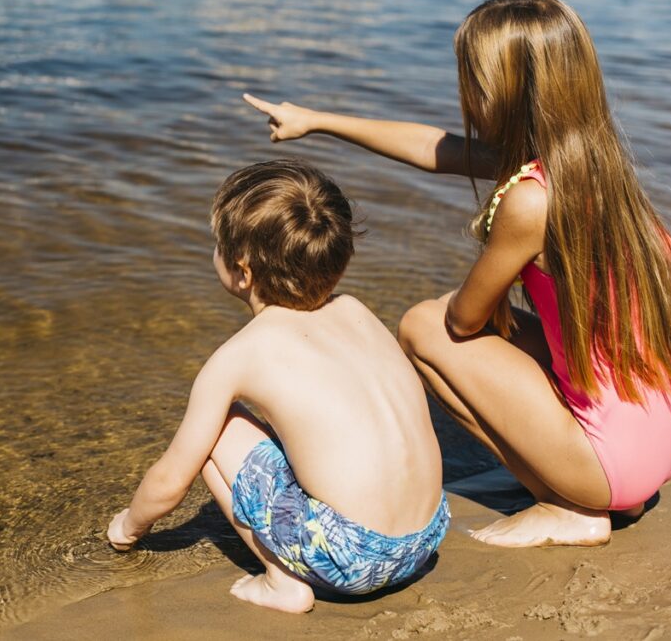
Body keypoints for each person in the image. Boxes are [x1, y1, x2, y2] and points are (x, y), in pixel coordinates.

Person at [243, 0, 671, 548]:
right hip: (666, 433)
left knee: (423, 325)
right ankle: (591, 482)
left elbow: (462, 321)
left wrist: (490, 284)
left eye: (472, 80)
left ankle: (567, 505)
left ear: (506, 92)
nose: (466, 95)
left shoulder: (530, 200)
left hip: (614, 460)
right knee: (491, 329)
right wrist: (316, 121)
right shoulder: (596, 167)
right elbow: (438, 148)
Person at [106, 160, 449, 613]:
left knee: (217, 430)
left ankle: (282, 582)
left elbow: (171, 481)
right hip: (426, 538)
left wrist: (127, 527)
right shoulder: (357, 311)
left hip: (354, 559)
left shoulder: (239, 355)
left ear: (242, 272)